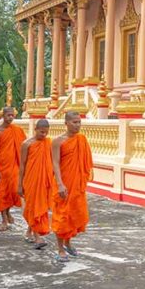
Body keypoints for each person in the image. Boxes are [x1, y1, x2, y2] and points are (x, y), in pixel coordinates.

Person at [51, 110, 93, 263]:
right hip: (64, 184)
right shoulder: (58, 141)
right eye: (74, 122)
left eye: (79, 122)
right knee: (62, 215)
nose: (78, 125)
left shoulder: (82, 139)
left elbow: (86, 163)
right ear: (66, 123)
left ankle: (68, 243)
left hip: (77, 185)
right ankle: (60, 249)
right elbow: (55, 163)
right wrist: (60, 184)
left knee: (75, 215)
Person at [18, 119, 55, 250]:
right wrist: (19, 184)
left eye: (46, 132)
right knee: (34, 207)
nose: (43, 135)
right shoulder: (27, 144)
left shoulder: (49, 143)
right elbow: (22, 165)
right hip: (31, 180)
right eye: (41, 132)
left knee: (38, 207)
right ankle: (38, 237)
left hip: (45, 180)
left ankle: (29, 231)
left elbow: (52, 161)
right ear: (35, 129)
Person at [0, 106, 25, 232]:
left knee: (12, 191)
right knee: (2, 192)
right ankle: (4, 219)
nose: (11, 117)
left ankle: (8, 212)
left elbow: (23, 147)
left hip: (14, 165)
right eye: (8, 115)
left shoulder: (18, 130)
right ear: (3, 115)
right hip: (2, 165)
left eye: (12, 115)